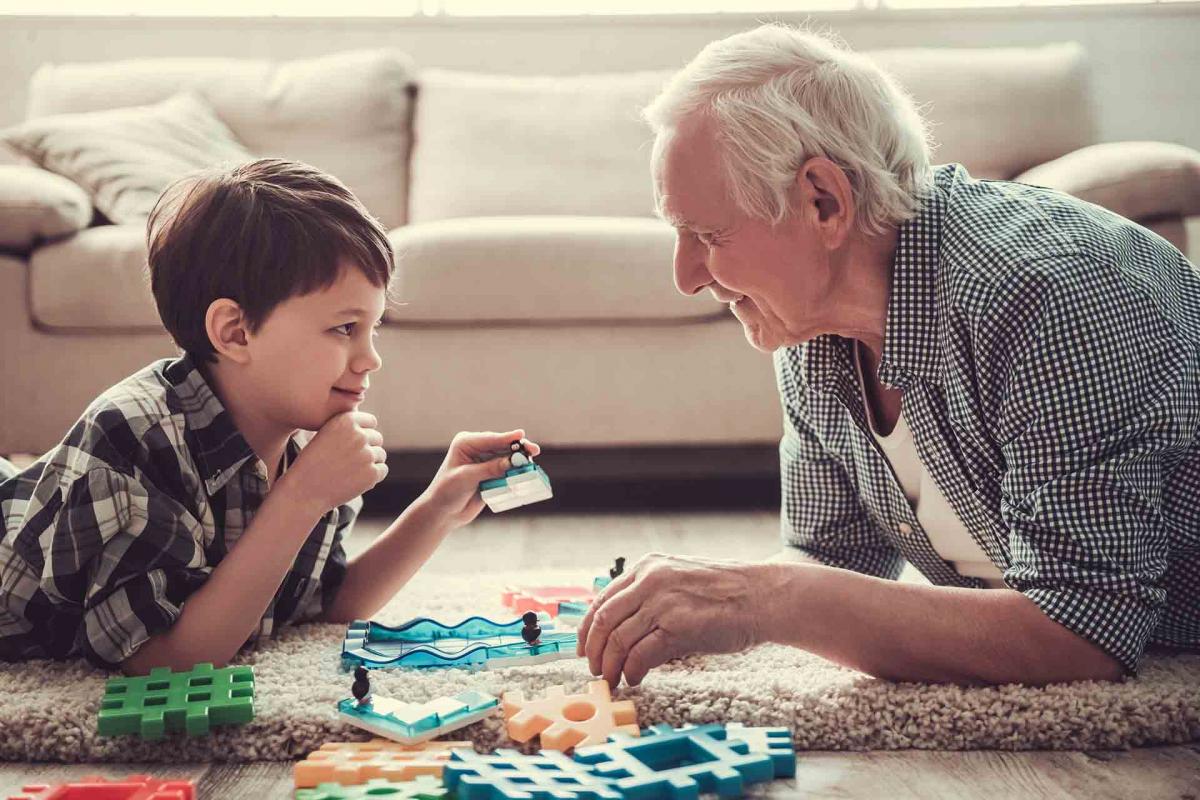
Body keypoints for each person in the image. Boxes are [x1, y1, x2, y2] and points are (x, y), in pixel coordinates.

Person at [577, 24, 1200, 688]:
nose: (686, 276)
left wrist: (760, 597)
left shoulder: (1046, 294)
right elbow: (832, 561)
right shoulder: (809, 330)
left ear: (824, 201)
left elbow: (1085, 633)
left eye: (708, 233)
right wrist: (705, 600)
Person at [0, 158, 538, 674]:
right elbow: (163, 659)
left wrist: (438, 506)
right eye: (344, 328)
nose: (371, 358)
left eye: (373, 329)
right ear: (235, 332)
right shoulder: (134, 434)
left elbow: (324, 604)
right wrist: (300, 498)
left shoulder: (302, 438)